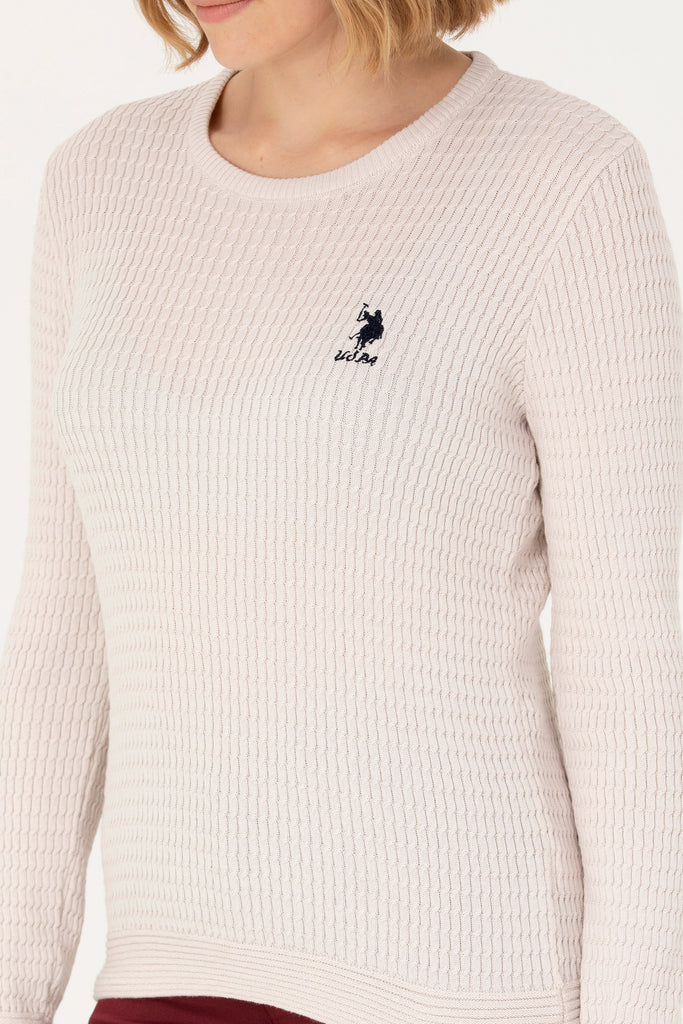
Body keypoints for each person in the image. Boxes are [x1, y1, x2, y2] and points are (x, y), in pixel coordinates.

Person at [0, 0, 681, 1022]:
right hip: (166, 977)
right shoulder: (98, 182)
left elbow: (636, 676)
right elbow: (63, 633)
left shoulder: (561, 178)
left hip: (455, 989)